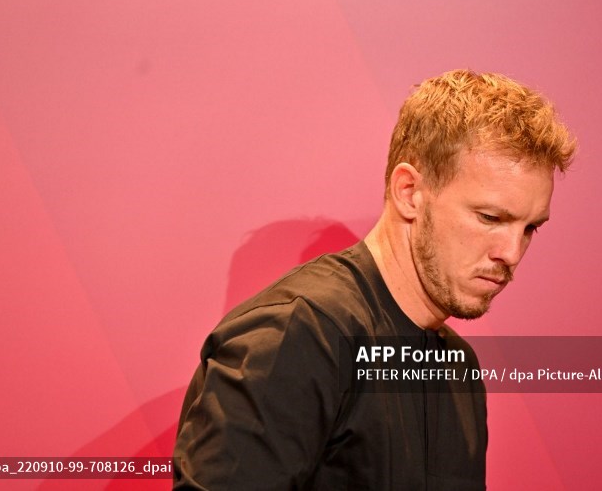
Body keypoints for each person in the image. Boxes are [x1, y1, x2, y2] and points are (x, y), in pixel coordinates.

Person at [173, 70, 576, 490]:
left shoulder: (458, 369)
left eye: (530, 228)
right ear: (409, 192)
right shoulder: (300, 333)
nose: (511, 253)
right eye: (491, 218)